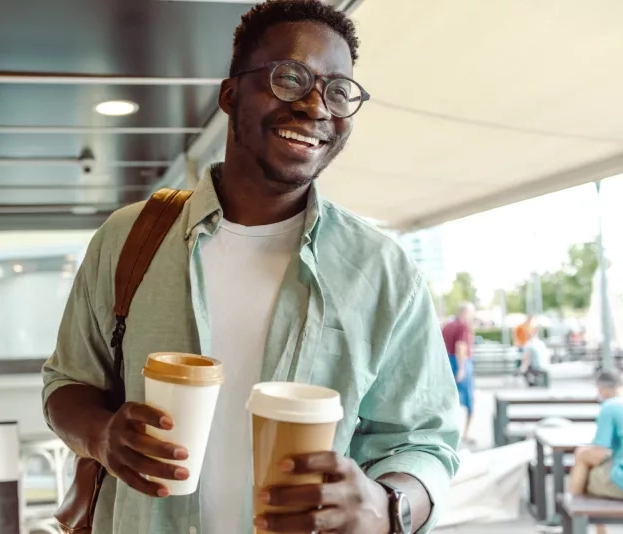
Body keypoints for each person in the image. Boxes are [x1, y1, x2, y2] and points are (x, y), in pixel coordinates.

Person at [42, 1, 461, 533]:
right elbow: (66, 385)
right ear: (230, 94)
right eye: (290, 77)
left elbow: (425, 442)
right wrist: (103, 436)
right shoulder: (130, 239)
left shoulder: (382, 271)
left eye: (338, 91)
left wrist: (386, 506)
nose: (315, 106)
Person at [567, 370, 623, 534]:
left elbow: (598, 454)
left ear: (601, 388)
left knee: (583, 464)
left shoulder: (611, 407)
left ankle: (573, 519)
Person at [442, 302, 475, 441]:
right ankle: (466, 433)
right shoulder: (463, 326)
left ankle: (448, 430)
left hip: (447, 363)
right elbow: (460, 345)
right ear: (466, 313)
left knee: (449, 400)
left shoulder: (447, 326)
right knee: (469, 401)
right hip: (460, 362)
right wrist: (461, 369)